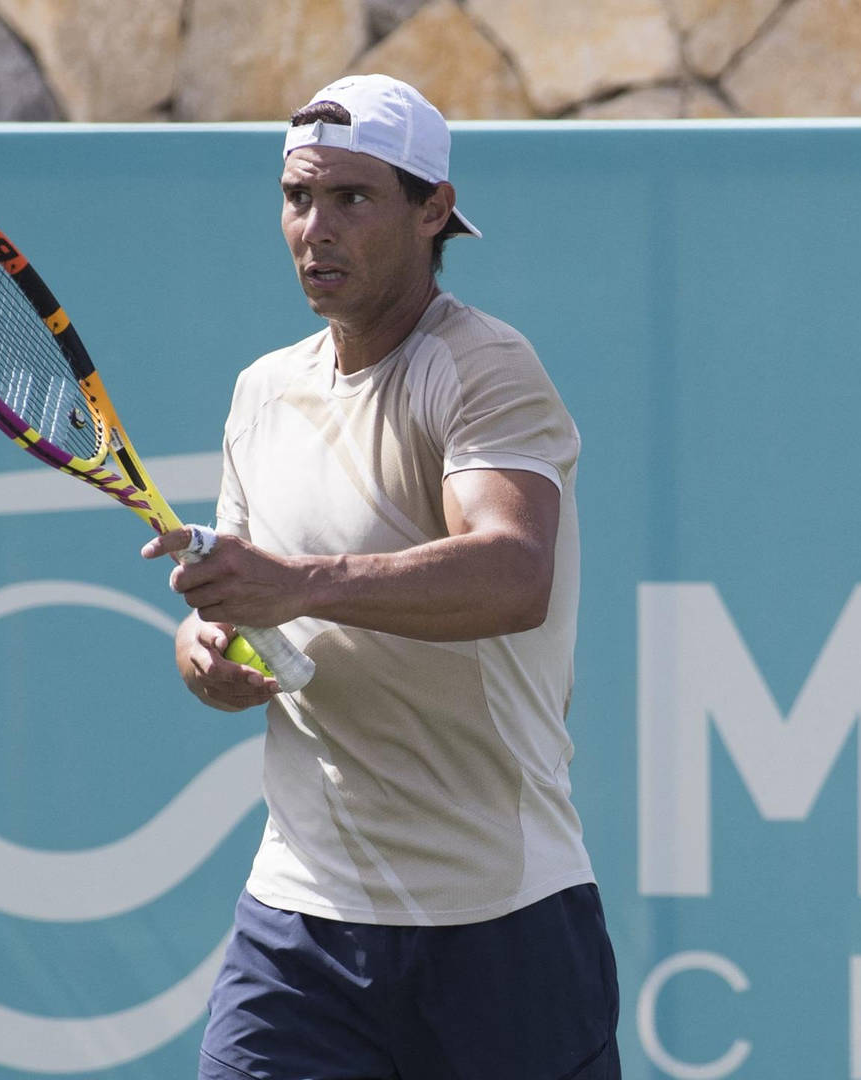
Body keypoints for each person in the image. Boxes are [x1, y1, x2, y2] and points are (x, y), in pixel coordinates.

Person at [144, 74, 619, 1078]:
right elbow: (241, 608)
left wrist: (302, 585)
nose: (315, 227)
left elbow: (513, 571)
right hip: (302, 920)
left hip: (499, 919)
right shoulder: (260, 394)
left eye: (352, 199)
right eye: (297, 197)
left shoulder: (484, 367)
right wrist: (208, 649)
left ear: (433, 210)